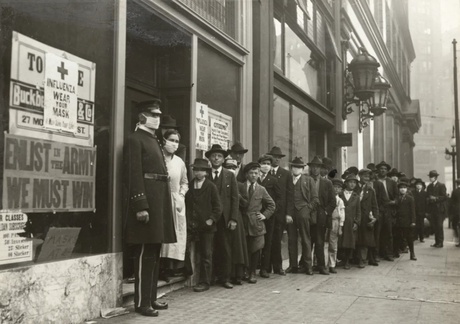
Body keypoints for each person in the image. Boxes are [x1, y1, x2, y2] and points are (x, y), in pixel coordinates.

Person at [124, 99, 175, 317]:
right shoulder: (135, 140)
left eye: (159, 115)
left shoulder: (152, 140)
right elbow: (133, 174)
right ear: (142, 116)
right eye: (153, 114)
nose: (157, 118)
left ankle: (151, 298)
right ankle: (142, 303)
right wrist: (140, 205)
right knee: (145, 252)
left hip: (159, 202)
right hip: (147, 204)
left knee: (154, 252)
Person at [186, 158, 222, 292]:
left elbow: (218, 207)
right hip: (192, 225)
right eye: (195, 169)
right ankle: (188, 275)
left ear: (206, 172)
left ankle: (205, 281)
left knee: (206, 254)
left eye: (201, 170)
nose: (198, 172)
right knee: (186, 250)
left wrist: (211, 219)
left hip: (207, 227)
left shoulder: (211, 186)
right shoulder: (190, 185)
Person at [206, 144, 239, 289]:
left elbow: (234, 198)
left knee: (225, 248)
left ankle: (225, 278)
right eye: (213, 156)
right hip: (209, 218)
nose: (216, 158)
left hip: (225, 219)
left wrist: (233, 218)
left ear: (223, 158)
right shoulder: (205, 174)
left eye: (219, 156)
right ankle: (210, 278)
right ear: (209, 158)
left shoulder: (229, 175)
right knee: (209, 248)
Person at [159, 129, 189, 281]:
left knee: (175, 234)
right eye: (171, 140)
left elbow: (184, 182)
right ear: (164, 140)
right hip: (160, 200)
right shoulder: (158, 158)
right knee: (161, 233)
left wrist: (181, 195)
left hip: (176, 201)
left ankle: (170, 268)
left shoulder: (179, 162)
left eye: (177, 141)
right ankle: (159, 268)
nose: (174, 144)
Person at [240, 162, 276, 283]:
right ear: (246, 174)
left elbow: (272, 205)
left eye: (256, 173)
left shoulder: (261, 189)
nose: (254, 175)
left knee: (255, 249)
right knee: (244, 248)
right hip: (243, 222)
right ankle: (244, 271)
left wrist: (264, 215)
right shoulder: (240, 187)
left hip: (256, 224)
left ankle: (252, 273)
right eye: (251, 173)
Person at [285, 157, 319, 275]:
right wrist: (288, 213)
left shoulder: (308, 180)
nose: (296, 169)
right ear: (291, 168)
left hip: (303, 211)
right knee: (291, 239)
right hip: (290, 213)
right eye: (294, 167)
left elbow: (315, 199)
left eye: (299, 167)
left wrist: (307, 209)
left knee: (305, 239)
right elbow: (286, 198)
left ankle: (308, 266)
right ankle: (293, 265)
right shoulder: (288, 179)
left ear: (303, 169)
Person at [222, 157, 249, 285]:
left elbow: (246, 204)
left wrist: (237, 196)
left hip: (236, 218)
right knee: (226, 248)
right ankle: (227, 274)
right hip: (224, 218)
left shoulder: (241, 185)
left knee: (238, 248)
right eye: (228, 168)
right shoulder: (222, 181)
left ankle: (238, 275)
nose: (231, 171)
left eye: (233, 168)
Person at [308, 156, 336, 275]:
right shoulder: (305, 180)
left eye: (317, 167)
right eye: (313, 167)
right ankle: (306, 265)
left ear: (321, 168)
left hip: (321, 216)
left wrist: (325, 212)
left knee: (319, 242)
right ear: (310, 168)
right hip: (308, 214)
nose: (315, 169)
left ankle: (321, 266)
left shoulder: (327, 183)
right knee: (307, 241)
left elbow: (332, 201)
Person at [266, 146, 292, 275]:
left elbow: (289, 195)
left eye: (278, 157)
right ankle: (266, 267)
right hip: (266, 213)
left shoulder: (286, 174)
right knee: (267, 240)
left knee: (277, 239)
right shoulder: (264, 171)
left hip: (280, 213)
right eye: (274, 157)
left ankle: (278, 267)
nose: (276, 159)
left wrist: (288, 213)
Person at [257, 154, 282, 279]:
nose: (265, 166)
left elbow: (278, 199)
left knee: (268, 242)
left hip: (269, 216)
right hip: (256, 214)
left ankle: (264, 268)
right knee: (255, 241)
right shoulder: (255, 178)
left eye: (268, 164)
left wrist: (269, 213)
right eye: (263, 163)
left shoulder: (274, 180)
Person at [374, 161, 398, 261]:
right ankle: (376, 254)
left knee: (388, 232)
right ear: (378, 170)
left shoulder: (391, 182)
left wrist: (393, 202)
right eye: (381, 168)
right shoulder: (375, 181)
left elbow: (397, 196)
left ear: (387, 171)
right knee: (377, 232)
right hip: (378, 208)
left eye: (384, 169)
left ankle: (389, 254)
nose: (383, 170)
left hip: (388, 209)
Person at [356, 169, 379, 267]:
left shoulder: (370, 190)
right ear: (359, 176)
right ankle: (358, 259)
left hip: (366, 217)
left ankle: (367, 259)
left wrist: (375, 218)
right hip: (356, 216)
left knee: (367, 238)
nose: (366, 178)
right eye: (364, 176)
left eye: (368, 177)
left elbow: (374, 205)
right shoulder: (354, 188)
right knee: (357, 238)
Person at [339, 173, 361, 269]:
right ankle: (341, 259)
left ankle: (347, 260)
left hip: (351, 222)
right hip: (341, 222)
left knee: (350, 242)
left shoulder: (356, 196)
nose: (352, 184)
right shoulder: (340, 194)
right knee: (340, 241)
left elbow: (358, 211)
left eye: (354, 183)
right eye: (350, 182)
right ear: (346, 183)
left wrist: (356, 222)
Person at [394, 179, 417, 261]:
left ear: (407, 189)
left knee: (409, 238)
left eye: (404, 187)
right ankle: (396, 252)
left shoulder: (410, 198)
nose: (402, 189)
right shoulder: (397, 198)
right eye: (401, 188)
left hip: (407, 222)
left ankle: (412, 253)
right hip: (398, 222)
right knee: (397, 237)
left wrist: (413, 221)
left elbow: (413, 211)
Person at [327, 178, 345, 274]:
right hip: (326, 222)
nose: (336, 189)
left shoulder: (340, 201)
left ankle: (332, 265)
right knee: (324, 243)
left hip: (335, 222)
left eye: (339, 188)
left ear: (341, 190)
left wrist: (341, 227)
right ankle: (321, 264)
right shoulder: (327, 198)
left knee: (333, 245)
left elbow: (342, 214)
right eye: (335, 187)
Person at [426, 170, 447, 248]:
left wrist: (435, 198)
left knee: (439, 225)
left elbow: (444, 197)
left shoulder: (441, 185)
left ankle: (440, 242)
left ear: (435, 177)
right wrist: (429, 198)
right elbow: (427, 196)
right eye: (430, 177)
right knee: (434, 226)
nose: (430, 178)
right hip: (432, 209)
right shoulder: (429, 187)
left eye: (432, 177)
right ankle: (436, 242)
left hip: (439, 209)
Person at [413, 178, 428, 242]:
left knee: (421, 225)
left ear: (422, 186)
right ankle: (415, 236)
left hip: (422, 211)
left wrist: (425, 211)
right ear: (415, 185)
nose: (418, 185)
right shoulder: (412, 193)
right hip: (414, 211)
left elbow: (426, 203)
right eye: (417, 184)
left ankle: (421, 237)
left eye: (420, 184)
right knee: (415, 224)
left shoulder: (425, 193)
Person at [451, 179, 460, 247]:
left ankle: (458, 240)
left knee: (455, 225)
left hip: (457, 212)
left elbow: (452, 203)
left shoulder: (455, 191)